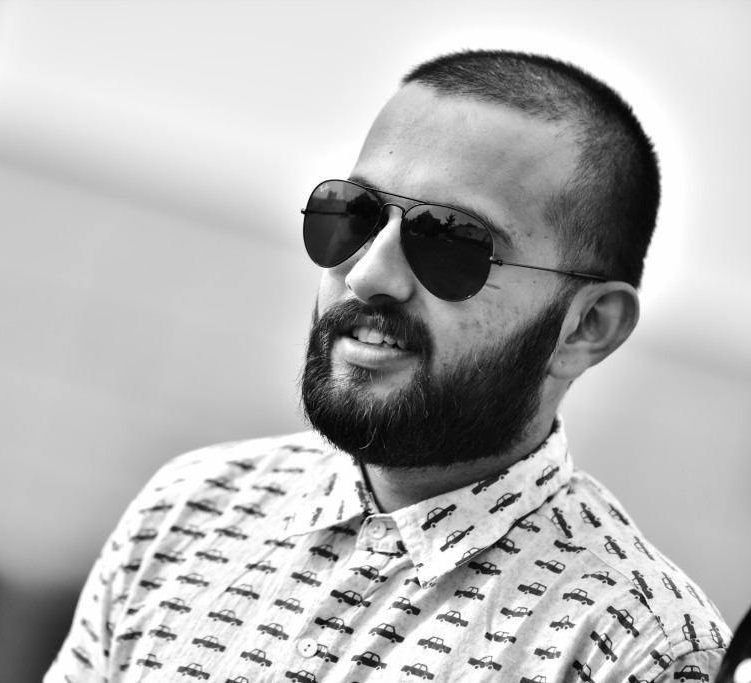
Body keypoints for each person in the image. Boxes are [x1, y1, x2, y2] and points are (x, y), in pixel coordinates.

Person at [45, 50, 731, 682]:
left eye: (453, 242)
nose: (369, 274)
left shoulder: (640, 650)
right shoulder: (188, 512)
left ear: (588, 326)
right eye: (354, 213)